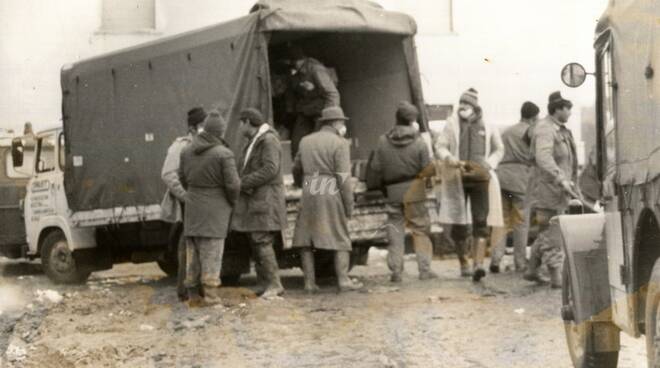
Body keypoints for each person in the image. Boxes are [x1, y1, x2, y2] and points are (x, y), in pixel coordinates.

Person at [435, 88, 504, 282]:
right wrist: (449, 158)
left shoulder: (488, 124)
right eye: (461, 103)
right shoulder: (451, 124)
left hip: (481, 179)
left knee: (481, 220)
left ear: (474, 107)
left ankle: (478, 265)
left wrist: (489, 164)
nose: (462, 107)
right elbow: (440, 146)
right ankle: (463, 262)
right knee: (459, 221)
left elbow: (499, 149)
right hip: (458, 178)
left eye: (466, 104)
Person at [292, 106, 363, 293]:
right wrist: (349, 205)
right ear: (335, 123)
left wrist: (302, 183)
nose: (343, 125)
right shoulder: (340, 143)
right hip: (329, 187)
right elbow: (343, 177)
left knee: (305, 238)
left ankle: (309, 283)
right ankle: (344, 280)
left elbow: (296, 168)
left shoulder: (305, 141)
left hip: (309, 187)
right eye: (342, 122)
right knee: (339, 235)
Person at [369, 101, 438, 282]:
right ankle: (424, 270)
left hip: (392, 191)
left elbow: (376, 167)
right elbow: (428, 169)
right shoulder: (419, 142)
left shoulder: (383, 140)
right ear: (412, 121)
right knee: (420, 229)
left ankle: (396, 271)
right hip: (415, 191)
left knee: (395, 230)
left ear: (396, 118)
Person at [179, 110, 241, 305]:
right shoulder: (224, 154)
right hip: (216, 210)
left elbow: (182, 178)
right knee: (213, 253)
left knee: (193, 254)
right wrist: (232, 201)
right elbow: (233, 185)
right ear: (220, 132)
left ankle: (194, 296)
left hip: (193, 208)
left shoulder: (186, 150)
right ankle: (212, 296)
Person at [524, 91, 579, 289]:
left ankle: (532, 269)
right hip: (548, 190)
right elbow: (543, 158)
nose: (570, 112)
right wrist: (560, 177)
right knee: (552, 231)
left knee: (547, 230)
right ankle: (556, 277)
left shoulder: (560, 129)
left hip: (557, 190)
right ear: (558, 109)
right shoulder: (546, 130)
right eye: (568, 108)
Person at [231, 108, 287, 299]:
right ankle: (264, 282)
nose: (240, 127)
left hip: (265, 200)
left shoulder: (268, 140)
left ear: (248, 122)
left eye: (241, 123)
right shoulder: (256, 141)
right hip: (258, 200)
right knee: (256, 241)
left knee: (261, 241)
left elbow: (271, 169)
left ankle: (274, 284)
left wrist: (242, 182)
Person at [160, 107, 206, 301]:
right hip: (188, 207)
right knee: (188, 247)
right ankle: (185, 290)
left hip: (199, 206)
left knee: (194, 246)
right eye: (202, 125)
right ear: (193, 127)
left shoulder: (201, 144)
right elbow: (168, 174)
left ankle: (191, 288)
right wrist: (185, 196)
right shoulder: (180, 146)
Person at [489, 102, 539, 273]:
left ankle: (495, 259)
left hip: (502, 179)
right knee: (520, 222)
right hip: (520, 181)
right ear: (534, 118)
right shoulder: (531, 132)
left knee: (500, 220)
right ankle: (520, 262)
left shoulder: (507, 132)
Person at [287, 45, 341, 158]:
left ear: (300, 61)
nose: (292, 66)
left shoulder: (316, 69)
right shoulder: (295, 73)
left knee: (319, 144)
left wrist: (330, 116)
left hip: (320, 111)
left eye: (294, 62)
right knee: (297, 143)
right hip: (305, 111)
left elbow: (332, 93)